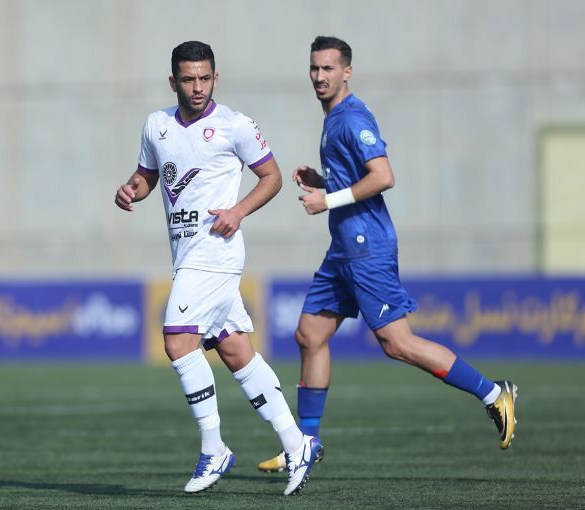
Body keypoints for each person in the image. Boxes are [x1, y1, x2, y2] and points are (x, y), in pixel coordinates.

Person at [257, 36, 518, 473]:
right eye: (314, 68)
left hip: (367, 249)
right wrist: (324, 181)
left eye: (328, 68)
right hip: (343, 250)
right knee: (309, 335)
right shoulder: (334, 117)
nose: (319, 76)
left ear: (347, 72)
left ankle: (495, 395)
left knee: (398, 344)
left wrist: (327, 200)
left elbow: (383, 176)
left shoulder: (352, 118)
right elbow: (357, 178)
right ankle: (306, 443)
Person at [115, 41, 322, 496]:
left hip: (216, 252)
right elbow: (148, 175)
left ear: (215, 78)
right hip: (185, 254)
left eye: (205, 78)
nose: (197, 87)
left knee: (177, 340)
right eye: (188, 79)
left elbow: (272, 177)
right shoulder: (156, 125)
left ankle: (214, 449)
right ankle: (297, 442)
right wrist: (131, 189)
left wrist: (238, 211)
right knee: (234, 350)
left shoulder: (235, 125)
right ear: (173, 81)